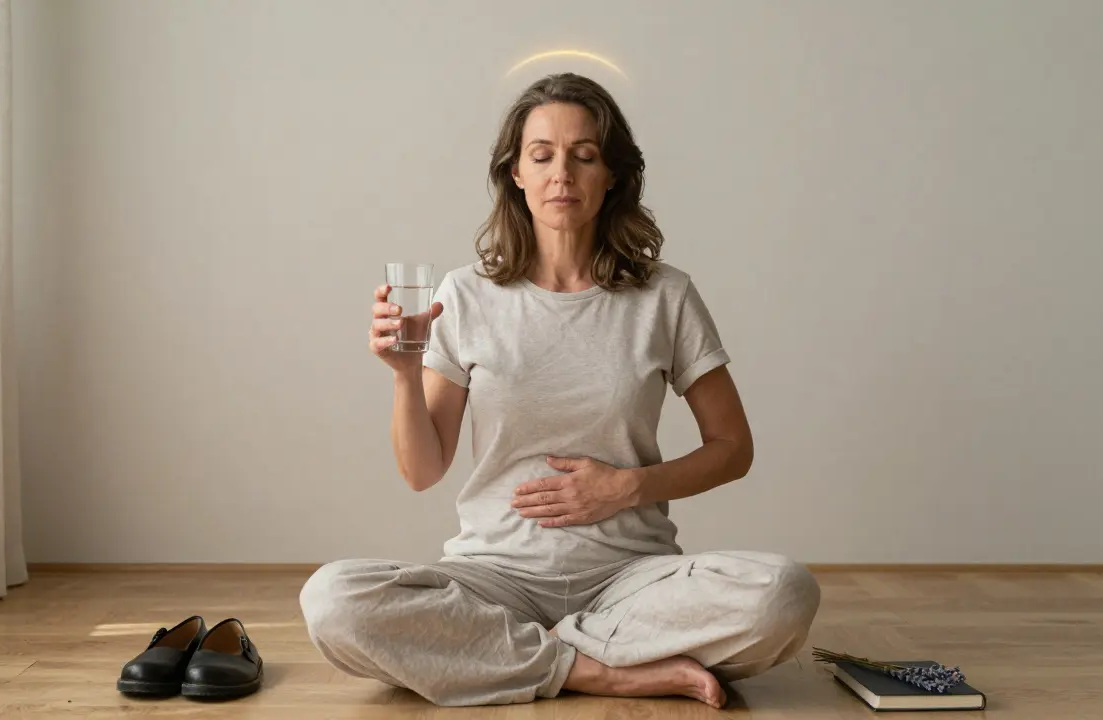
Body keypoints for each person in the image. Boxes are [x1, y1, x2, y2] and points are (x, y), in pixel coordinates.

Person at [299, 72, 819, 709]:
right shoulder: (464, 296)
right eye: (541, 155)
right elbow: (422, 470)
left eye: (585, 155)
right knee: (333, 600)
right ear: (515, 173)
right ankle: (604, 668)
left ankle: (510, 654)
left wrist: (628, 486)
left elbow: (733, 448)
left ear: (612, 176)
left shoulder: (666, 296)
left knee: (783, 593)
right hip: (494, 575)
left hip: (632, 577)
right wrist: (405, 377)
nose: (562, 174)